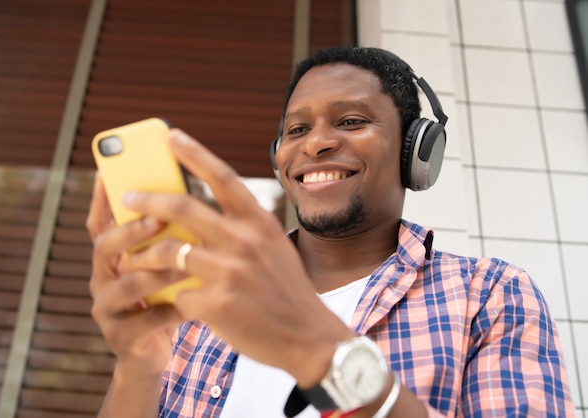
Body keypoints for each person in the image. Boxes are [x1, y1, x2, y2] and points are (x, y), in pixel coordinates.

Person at [87, 46, 575, 417]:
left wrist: (320, 354)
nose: (317, 143)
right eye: (296, 130)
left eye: (351, 121)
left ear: (416, 152)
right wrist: (137, 366)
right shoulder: (206, 297)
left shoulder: (488, 294)